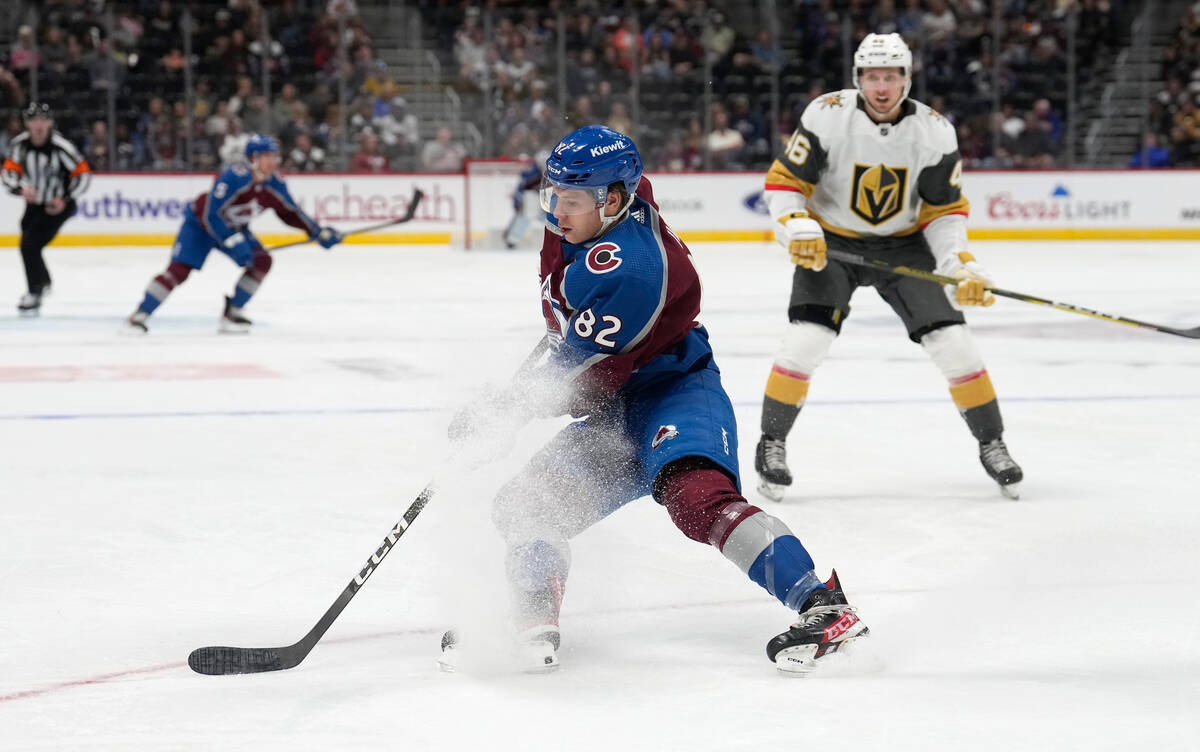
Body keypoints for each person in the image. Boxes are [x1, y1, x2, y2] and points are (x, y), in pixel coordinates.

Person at [439, 125, 868, 676]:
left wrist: (504, 412)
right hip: (616, 405)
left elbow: (574, 374)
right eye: (553, 196)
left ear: (613, 200)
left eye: (571, 201)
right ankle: (531, 620)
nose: (557, 213)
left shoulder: (634, 269)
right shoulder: (599, 208)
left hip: (674, 391)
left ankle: (823, 606)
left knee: (695, 496)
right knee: (525, 508)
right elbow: (568, 342)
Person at [756, 32, 1024, 501]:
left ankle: (992, 441)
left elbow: (943, 212)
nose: (882, 87)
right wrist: (796, 225)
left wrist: (959, 262)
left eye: (892, 76)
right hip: (833, 245)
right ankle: (772, 443)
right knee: (806, 341)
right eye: (873, 76)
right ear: (859, 78)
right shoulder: (827, 115)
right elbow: (784, 183)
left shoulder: (935, 130)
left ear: (907, 78)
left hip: (903, 248)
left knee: (955, 344)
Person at [125, 135, 342, 334]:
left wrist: (317, 231)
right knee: (179, 271)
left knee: (261, 261)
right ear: (252, 158)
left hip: (234, 228)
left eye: (273, 156)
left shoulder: (274, 184)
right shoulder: (234, 177)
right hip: (200, 226)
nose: (272, 161)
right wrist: (233, 241)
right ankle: (140, 315)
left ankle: (233, 311)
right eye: (266, 156)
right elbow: (211, 215)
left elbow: (291, 212)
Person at [1, 102, 92, 315]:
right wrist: (20, 189)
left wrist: (66, 198)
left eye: (43, 120)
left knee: (29, 245)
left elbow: (83, 174)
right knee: (29, 237)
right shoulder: (19, 145)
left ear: (50, 122)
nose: (39, 125)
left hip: (58, 205)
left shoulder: (61, 147)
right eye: (34, 120)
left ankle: (34, 292)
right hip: (35, 203)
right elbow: (9, 172)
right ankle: (44, 281)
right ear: (27, 124)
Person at [502, 149, 548, 249]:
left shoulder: (548, 173)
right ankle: (512, 239)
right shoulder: (531, 172)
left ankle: (512, 239)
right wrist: (518, 200)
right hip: (530, 198)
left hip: (540, 198)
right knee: (527, 216)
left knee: (547, 217)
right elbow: (522, 187)